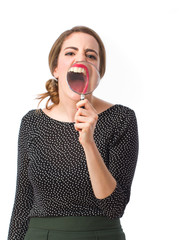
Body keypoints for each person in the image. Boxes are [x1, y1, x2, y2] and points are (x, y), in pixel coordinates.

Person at [7, 26, 139, 240]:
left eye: (91, 55)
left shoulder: (121, 119)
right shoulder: (32, 122)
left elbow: (114, 207)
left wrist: (88, 142)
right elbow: (22, 202)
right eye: (70, 52)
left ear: (98, 72)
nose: (81, 59)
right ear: (56, 69)